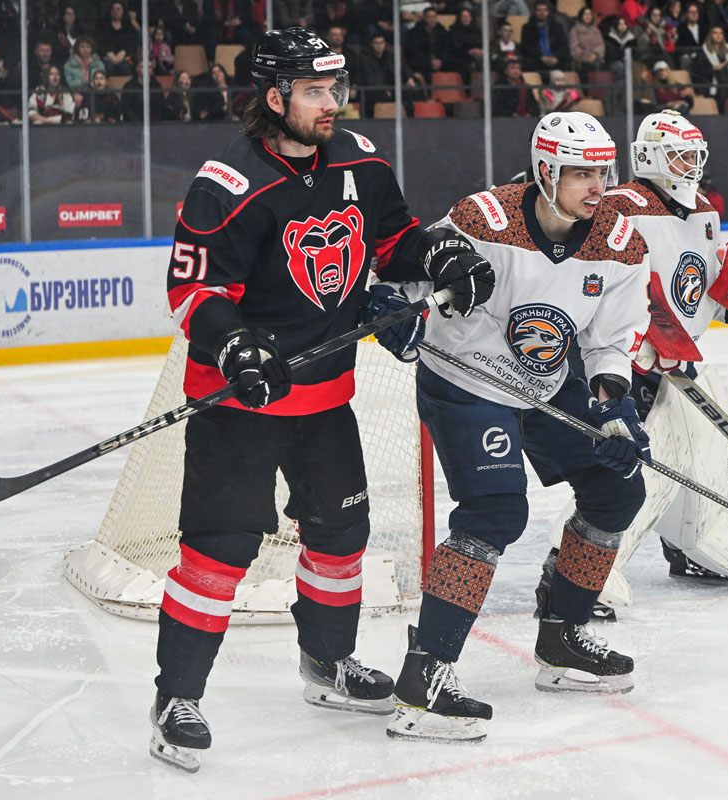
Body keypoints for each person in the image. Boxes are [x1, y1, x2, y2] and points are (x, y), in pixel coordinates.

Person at [150, 27, 493, 772]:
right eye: (314, 91)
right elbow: (194, 291)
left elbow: (394, 241)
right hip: (239, 406)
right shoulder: (228, 183)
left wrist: (440, 253)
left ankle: (327, 662)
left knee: (340, 539)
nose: (331, 102)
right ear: (275, 99)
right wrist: (236, 347)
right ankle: (177, 699)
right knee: (218, 554)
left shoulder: (360, 161)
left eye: (335, 88)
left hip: (325, 399)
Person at [385, 111, 650, 744]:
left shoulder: (619, 241)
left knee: (618, 490)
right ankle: (426, 675)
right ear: (546, 171)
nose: (597, 187)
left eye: (603, 172)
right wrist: (399, 308)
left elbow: (610, 339)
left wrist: (613, 403)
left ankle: (562, 637)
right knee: (495, 512)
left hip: (548, 382)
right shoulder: (482, 219)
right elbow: (412, 272)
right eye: (580, 173)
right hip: (467, 381)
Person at [532, 110, 728, 620]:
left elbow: (693, 292)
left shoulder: (705, 213)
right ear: (649, 156)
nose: (690, 164)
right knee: (622, 460)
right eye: (679, 155)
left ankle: (691, 543)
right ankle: (568, 571)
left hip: (673, 359)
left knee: (696, 448)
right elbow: (587, 273)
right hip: (621, 359)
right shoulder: (619, 205)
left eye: (694, 155)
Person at [520, 0, 571, 72]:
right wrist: (541, 57)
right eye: (539, 10)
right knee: (529, 63)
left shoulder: (557, 26)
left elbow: (563, 45)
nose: (542, 13)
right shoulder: (527, 27)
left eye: (544, 10)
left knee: (567, 63)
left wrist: (556, 57)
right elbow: (527, 47)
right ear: (534, 12)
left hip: (555, 59)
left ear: (548, 12)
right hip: (537, 59)